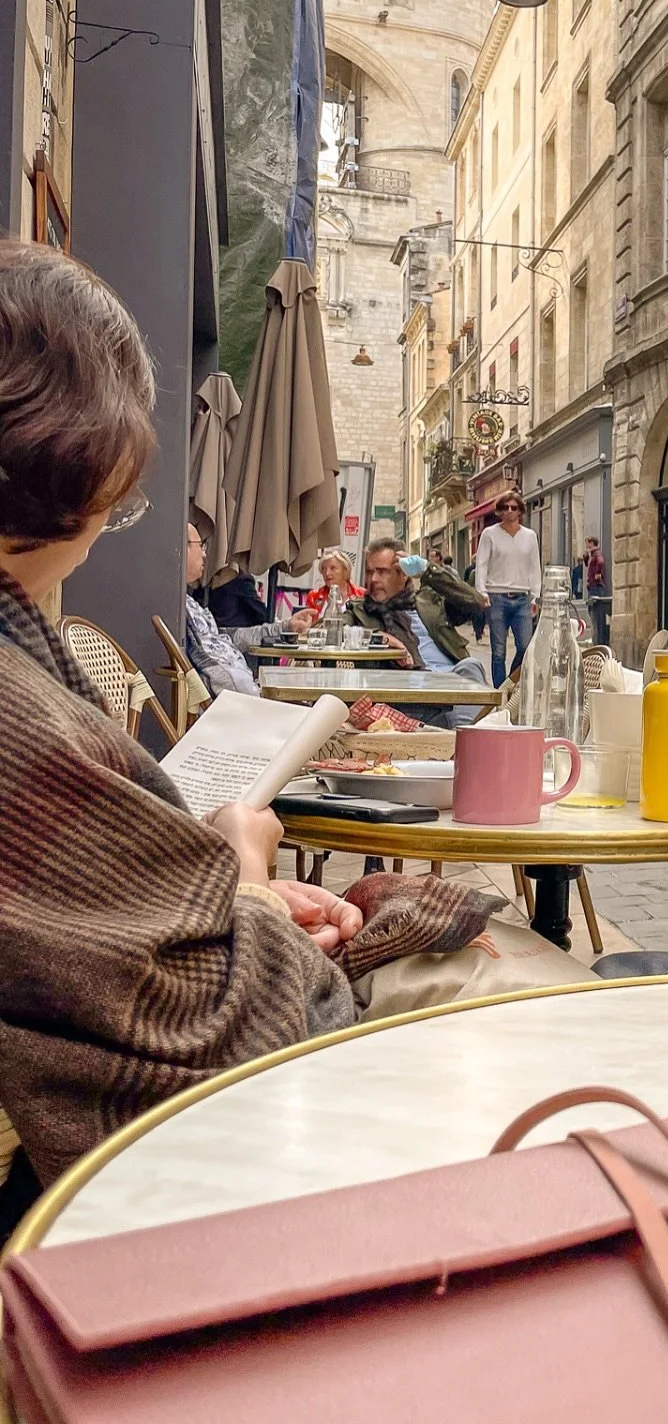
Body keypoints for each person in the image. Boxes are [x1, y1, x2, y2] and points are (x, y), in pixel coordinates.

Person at [0, 243, 513, 1218]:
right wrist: (240, 873)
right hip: (145, 1167)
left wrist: (241, 900)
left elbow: (92, 945)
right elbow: (231, 1029)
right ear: (77, 465)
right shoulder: (20, 716)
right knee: (509, 985)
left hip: (135, 1075)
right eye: (122, 503)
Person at [185, 523, 315, 699]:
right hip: (237, 702)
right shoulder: (179, 610)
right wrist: (254, 698)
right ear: (183, 547)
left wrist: (286, 627)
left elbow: (230, 637)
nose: (204, 553)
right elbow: (215, 674)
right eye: (200, 545)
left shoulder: (189, 603)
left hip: (245, 694)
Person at [346, 540, 489, 674]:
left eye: (382, 572)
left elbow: (476, 603)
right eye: (369, 572)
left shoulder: (428, 601)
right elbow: (338, 632)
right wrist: (381, 638)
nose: (373, 579)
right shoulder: (359, 610)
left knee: (471, 665)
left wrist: (427, 570)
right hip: (410, 680)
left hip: (452, 674)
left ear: (403, 575)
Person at [474, 492, 542, 688]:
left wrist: (535, 597)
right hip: (497, 597)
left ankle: (509, 684)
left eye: (514, 507)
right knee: (499, 651)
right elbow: (482, 564)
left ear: (520, 511)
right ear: (499, 511)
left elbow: (534, 567)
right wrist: (482, 592)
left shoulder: (530, 536)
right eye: (505, 507)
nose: (509, 511)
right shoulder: (489, 534)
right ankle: (499, 692)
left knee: (525, 647)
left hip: (522, 598)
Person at [302, 548, 364, 618]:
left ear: (345, 571)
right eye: (324, 569)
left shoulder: (362, 596)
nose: (327, 573)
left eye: (333, 568)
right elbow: (308, 623)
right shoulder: (314, 596)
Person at [583, 535, 611, 647]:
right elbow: (587, 564)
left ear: (591, 543)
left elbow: (600, 562)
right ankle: (597, 639)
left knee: (597, 613)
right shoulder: (591, 554)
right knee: (593, 611)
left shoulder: (596, 553)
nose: (586, 545)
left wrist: (598, 573)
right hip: (592, 586)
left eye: (587, 543)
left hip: (596, 587)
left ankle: (600, 640)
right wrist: (586, 556)